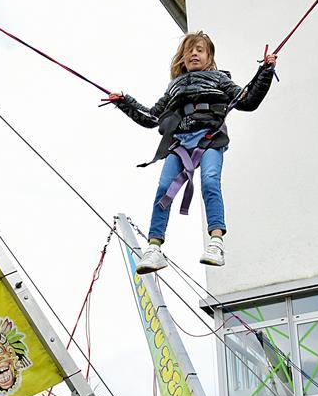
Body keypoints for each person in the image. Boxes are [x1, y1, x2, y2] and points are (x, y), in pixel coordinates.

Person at [108, 31, 277, 274]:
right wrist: (125, 102)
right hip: (180, 143)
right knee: (163, 188)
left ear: (209, 57)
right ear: (182, 58)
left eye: (199, 50)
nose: (194, 53)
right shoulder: (174, 87)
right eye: (189, 50)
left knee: (210, 182)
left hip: (210, 137)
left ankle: (216, 242)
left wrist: (266, 71)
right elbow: (152, 118)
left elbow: (248, 100)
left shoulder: (219, 79)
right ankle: (154, 247)